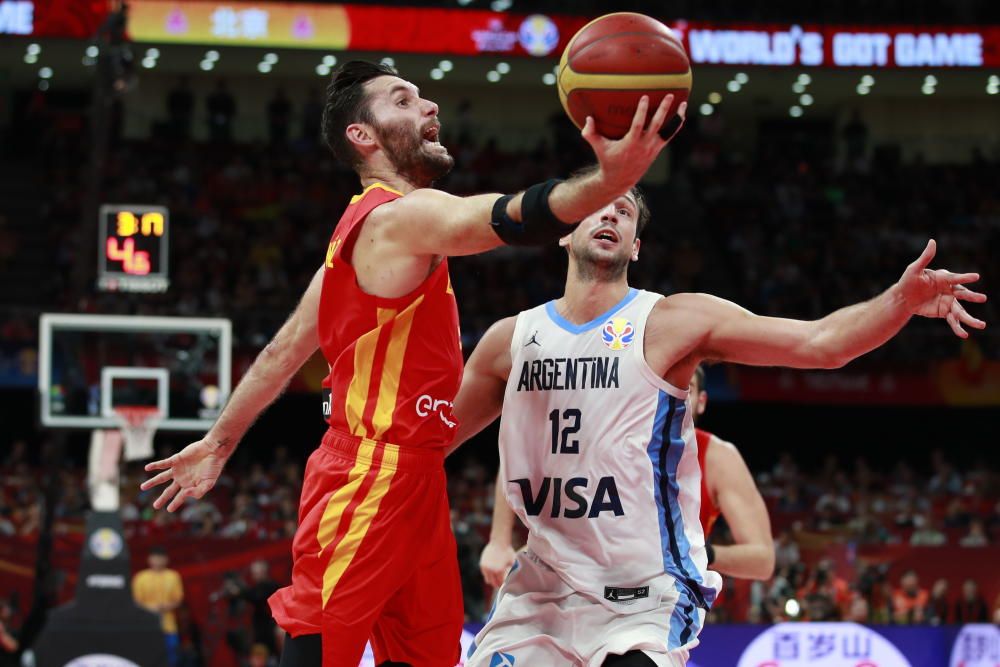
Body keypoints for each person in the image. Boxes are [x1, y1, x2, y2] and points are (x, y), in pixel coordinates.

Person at [142, 60, 686, 667]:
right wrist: (614, 177)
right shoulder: (399, 216)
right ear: (363, 136)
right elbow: (513, 216)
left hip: (420, 478)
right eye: (404, 101)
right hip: (368, 473)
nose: (429, 107)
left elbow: (284, 349)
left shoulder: (358, 236)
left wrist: (220, 441)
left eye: (424, 98)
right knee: (324, 645)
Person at [449, 184, 985, 665]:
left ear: (636, 246)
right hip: (541, 593)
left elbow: (820, 344)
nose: (611, 213)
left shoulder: (673, 322)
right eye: (596, 205)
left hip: (642, 598)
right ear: (565, 232)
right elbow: (434, 440)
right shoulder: (509, 341)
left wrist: (899, 301)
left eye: (626, 211)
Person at [479, 363, 775, 588]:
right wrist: (498, 540)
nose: (673, 393)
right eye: (665, 384)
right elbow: (522, 455)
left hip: (654, 597)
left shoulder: (718, 457)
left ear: (701, 401)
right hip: (569, 580)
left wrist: (696, 552)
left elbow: (762, 560)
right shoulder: (604, 434)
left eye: (687, 387)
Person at [132, 547, 185, 666]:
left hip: (168, 625)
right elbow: (135, 602)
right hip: (146, 625)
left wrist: (166, 606)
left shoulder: (173, 576)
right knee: (148, 656)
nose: (158, 560)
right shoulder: (140, 577)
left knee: (172, 655)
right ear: (149, 559)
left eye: (161, 558)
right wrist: (150, 608)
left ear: (166, 559)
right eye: (155, 557)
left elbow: (178, 599)